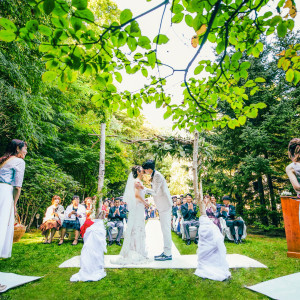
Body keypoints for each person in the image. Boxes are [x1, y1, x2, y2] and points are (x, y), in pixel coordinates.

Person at [111, 166, 150, 265]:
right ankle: (136, 250)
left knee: (137, 227)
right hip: (138, 207)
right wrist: (144, 202)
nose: (143, 171)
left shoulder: (137, 182)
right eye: (142, 170)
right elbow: (136, 196)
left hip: (137, 207)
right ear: (138, 171)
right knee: (137, 227)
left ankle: (137, 249)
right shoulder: (137, 182)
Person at [0, 139, 27, 259]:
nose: (26, 151)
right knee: (3, 222)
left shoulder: (3, 160)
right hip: (5, 192)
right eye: (25, 148)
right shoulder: (19, 161)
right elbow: (17, 186)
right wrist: (14, 204)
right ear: (18, 149)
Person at [142, 159, 173, 261]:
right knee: (164, 229)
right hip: (162, 206)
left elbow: (155, 192)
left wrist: (143, 188)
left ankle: (168, 254)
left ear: (149, 169)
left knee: (166, 229)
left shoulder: (158, 176)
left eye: (145, 170)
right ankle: (166, 252)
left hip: (165, 205)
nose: (144, 172)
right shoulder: (154, 175)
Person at [70, 211, 107, 282]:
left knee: (95, 248)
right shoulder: (90, 218)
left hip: (94, 227)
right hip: (92, 227)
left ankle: (95, 265)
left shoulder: (96, 222)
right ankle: (92, 266)